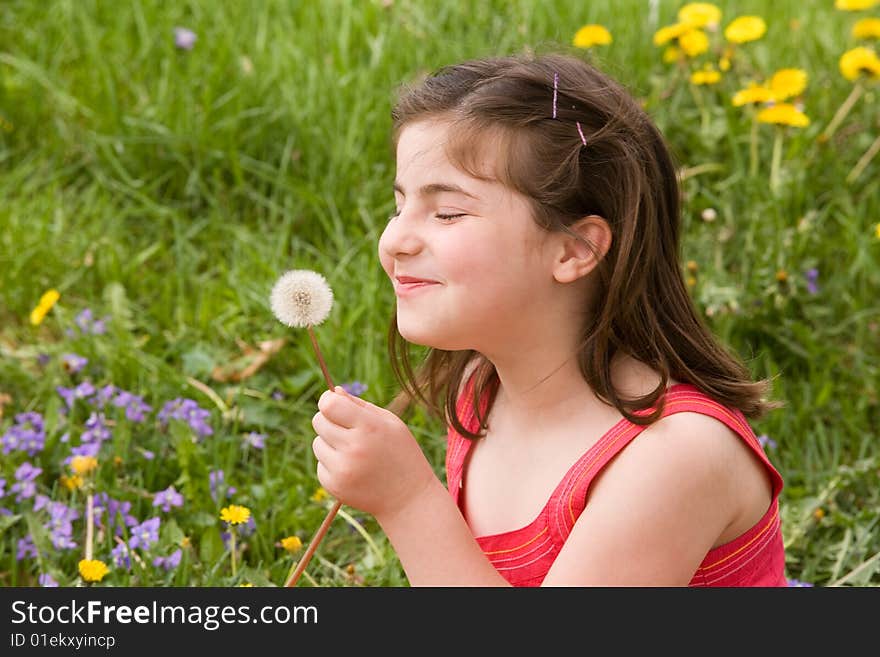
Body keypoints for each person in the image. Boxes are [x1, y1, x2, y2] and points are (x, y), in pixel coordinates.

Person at [310, 51, 787, 586]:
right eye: (399, 207)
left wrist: (408, 502)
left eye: (447, 213)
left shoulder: (672, 457)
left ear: (575, 249)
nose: (394, 240)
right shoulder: (482, 389)